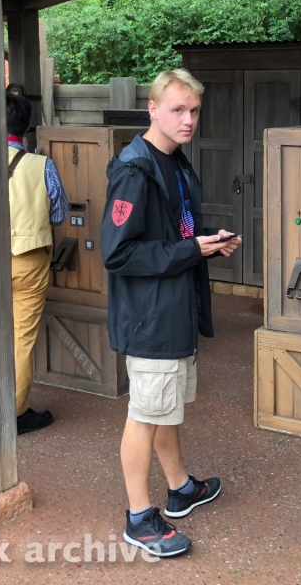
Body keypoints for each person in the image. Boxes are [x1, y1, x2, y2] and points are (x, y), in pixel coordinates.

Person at [101, 68, 240, 558]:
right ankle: (138, 517)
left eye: (194, 111)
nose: (188, 120)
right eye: (177, 110)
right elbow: (117, 254)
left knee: (165, 408)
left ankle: (180, 488)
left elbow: (176, 235)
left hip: (174, 308)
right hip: (150, 317)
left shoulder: (176, 162)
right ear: (153, 109)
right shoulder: (134, 170)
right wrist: (189, 252)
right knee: (145, 413)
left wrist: (207, 246)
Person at [6, 92, 69, 435]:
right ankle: (15, 412)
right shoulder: (42, 165)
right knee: (21, 338)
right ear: (27, 126)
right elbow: (59, 214)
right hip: (29, 261)